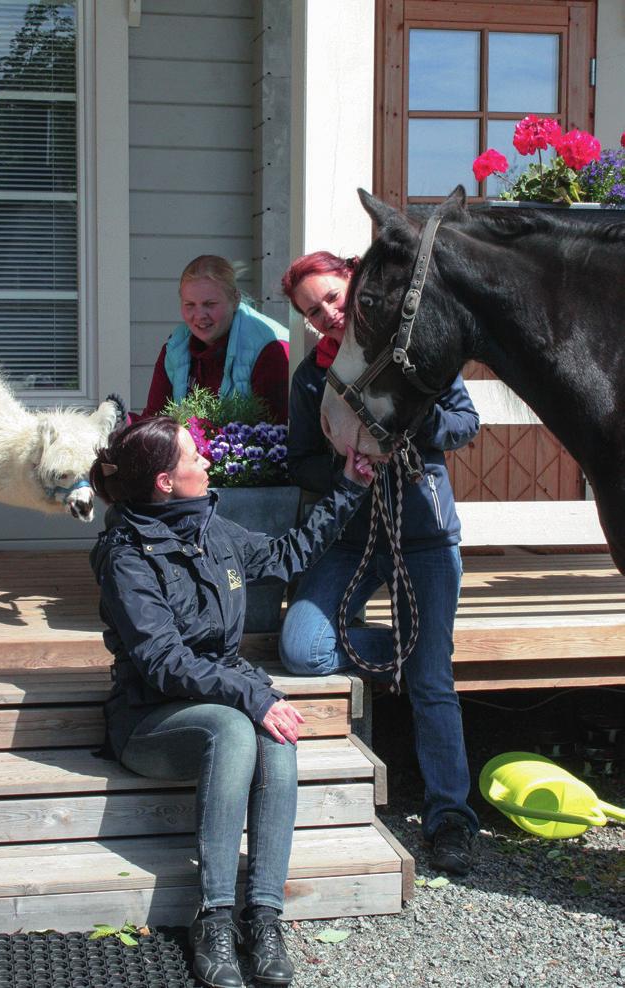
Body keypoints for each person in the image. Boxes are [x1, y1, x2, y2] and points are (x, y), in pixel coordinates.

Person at [89, 416, 374, 988]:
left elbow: (287, 555)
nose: (209, 461)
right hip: (151, 718)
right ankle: (215, 917)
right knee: (238, 728)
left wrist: (351, 485)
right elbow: (163, 661)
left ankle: (265, 917)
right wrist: (252, 693)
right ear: (167, 482)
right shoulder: (126, 556)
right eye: (196, 455)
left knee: (274, 731)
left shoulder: (211, 529)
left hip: (218, 693)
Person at [279, 250, 481, 877]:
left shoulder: (413, 350)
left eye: (334, 298)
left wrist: (412, 427)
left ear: (355, 287)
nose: (328, 314)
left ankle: (451, 817)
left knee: (430, 684)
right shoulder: (313, 378)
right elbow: (300, 460)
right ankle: (416, 648)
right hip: (351, 536)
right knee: (302, 648)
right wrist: (342, 470)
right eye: (314, 311)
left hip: (422, 533)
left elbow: (464, 422)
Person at [138, 254, 290, 423]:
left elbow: (276, 431)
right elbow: (154, 420)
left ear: (235, 299)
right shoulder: (175, 347)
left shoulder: (271, 348)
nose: (200, 315)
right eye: (190, 305)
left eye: (210, 304)